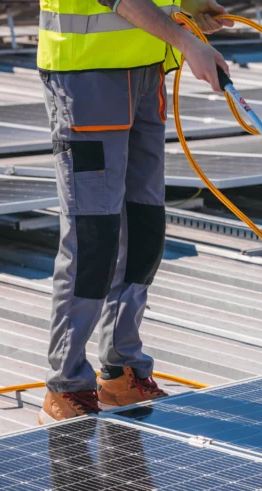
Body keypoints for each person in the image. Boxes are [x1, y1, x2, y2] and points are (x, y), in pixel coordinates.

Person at [37, 0, 232, 423]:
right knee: (94, 238)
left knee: (144, 229)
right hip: (86, 78)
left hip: (145, 74)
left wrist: (186, 7)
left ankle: (120, 370)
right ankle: (66, 384)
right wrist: (185, 41)